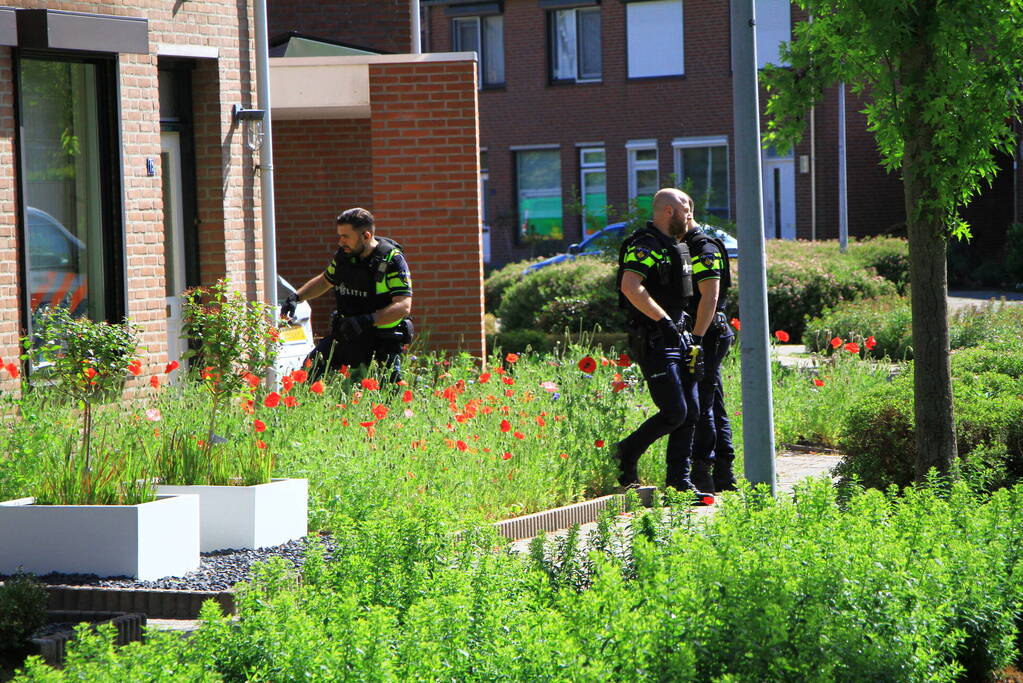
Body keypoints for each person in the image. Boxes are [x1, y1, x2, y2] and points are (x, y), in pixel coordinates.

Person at [613, 188, 713, 505]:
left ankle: (679, 484)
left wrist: (692, 336)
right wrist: (664, 321)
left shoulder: (678, 246)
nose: (691, 213)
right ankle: (626, 453)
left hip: (681, 336)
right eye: (686, 208)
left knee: (692, 412)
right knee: (674, 411)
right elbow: (630, 286)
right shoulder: (647, 244)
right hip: (655, 337)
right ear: (669, 211)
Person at [279, 207, 413, 383]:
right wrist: (296, 297)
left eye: (346, 236)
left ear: (366, 236)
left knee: (388, 395)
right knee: (307, 376)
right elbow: (325, 280)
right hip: (346, 335)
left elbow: (403, 306)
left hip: (381, 342)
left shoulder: (391, 260)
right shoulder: (344, 256)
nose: (340, 242)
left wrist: (366, 321)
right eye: (339, 236)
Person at [678, 192, 739, 493]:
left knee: (702, 403)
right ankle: (724, 473)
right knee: (713, 401)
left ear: (686, 213)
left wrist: (697, 340)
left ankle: (704, 472)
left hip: (709, 333)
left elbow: (710, 297)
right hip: (709, 332)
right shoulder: (687, 246)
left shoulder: (702, 247)